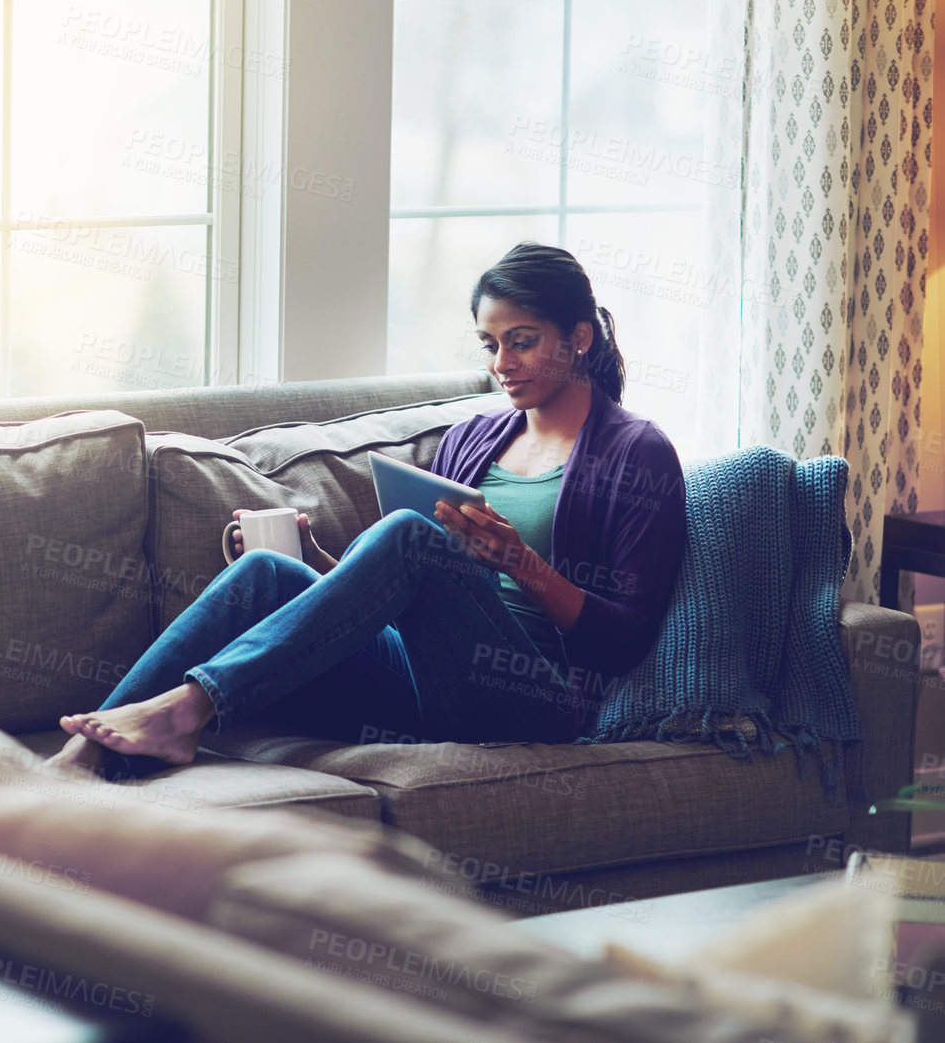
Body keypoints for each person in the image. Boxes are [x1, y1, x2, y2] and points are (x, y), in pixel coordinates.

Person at [47, 242, 688, 778]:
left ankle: (186, 711)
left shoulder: (637, 454)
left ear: (578, 337)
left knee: (411, 535)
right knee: (269, 574)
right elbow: (408, 595)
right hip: (425, 681)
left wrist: (520, 564)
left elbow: (627, 637)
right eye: (489, 345)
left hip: (534, 700)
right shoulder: (472, 439)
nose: (501, 365)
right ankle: (84, 756)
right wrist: (318, 561)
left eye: (521, 342)